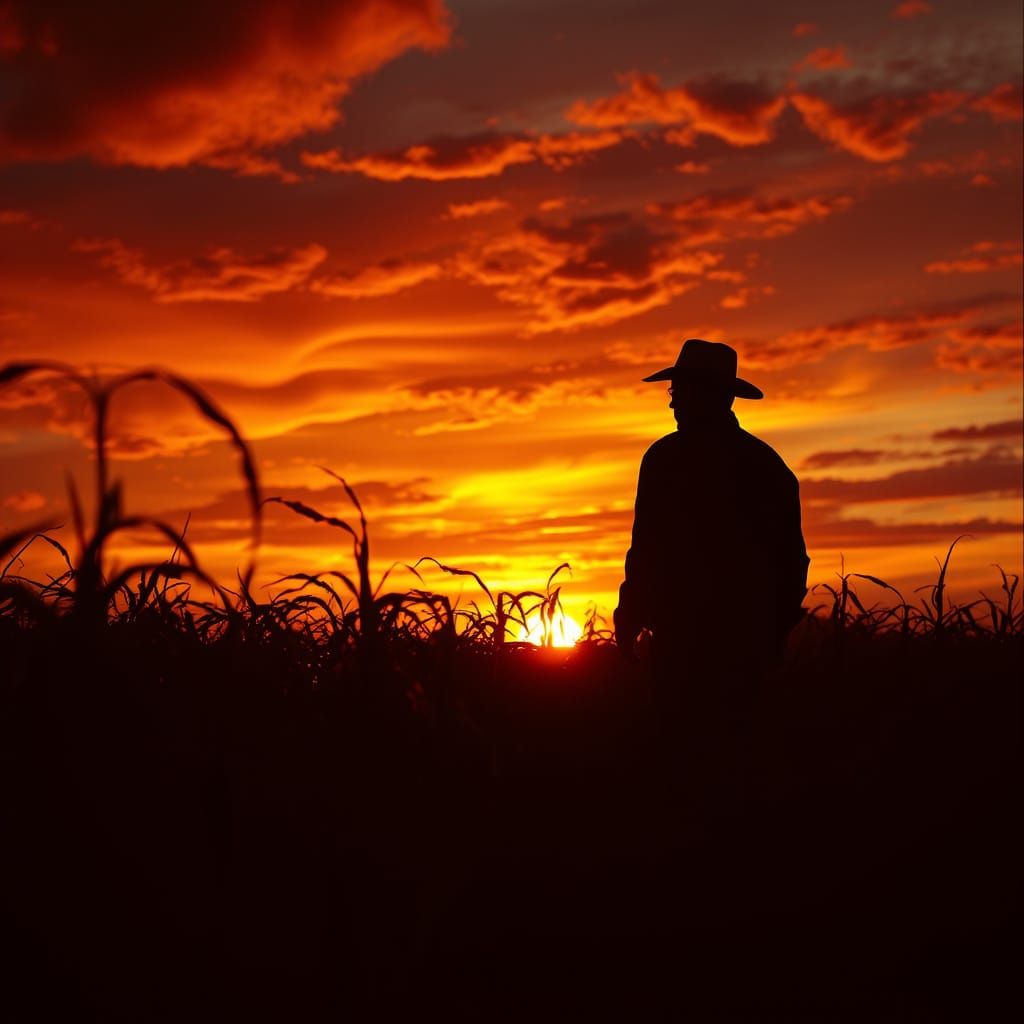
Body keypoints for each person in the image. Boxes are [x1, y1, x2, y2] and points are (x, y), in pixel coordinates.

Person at [615, 338, 808, 704]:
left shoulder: (664, 460)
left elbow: (645, 551)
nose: (671, 400)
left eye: (678, 390)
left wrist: (628, 618)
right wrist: (771, 634)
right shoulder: (767, 465)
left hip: (682, 646)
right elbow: (792, 562)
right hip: (744, 650)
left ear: (706, 393)